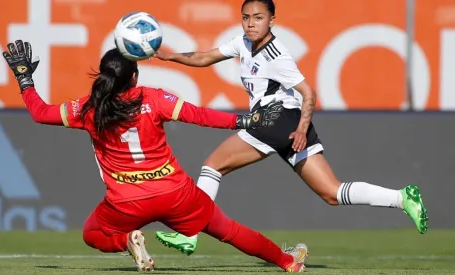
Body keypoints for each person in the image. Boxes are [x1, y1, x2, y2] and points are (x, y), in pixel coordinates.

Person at [2, 39, 310, 272]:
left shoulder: (88, 108)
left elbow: (40, 113)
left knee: (92, 233)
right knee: (227, 229)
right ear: (134, 78)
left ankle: (127, 241)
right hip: (175, 193)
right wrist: (245, 121)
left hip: (126, 202)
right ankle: (287, 262)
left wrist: (24, 78)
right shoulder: (153, 97)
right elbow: (199, 115)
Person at [154, 0, 429, 256]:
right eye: (246, 18)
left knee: (213, 166)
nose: (251, 24)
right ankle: (401, 198)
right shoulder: (243, 43)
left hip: (276, 120)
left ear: (272, 21)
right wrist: (171, 57)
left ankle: (190, 232)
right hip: (289, 124)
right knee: (332, 193)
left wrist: (301, 129)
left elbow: (309, 92)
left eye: (258, 18)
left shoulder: (276, 56)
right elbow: (204, 58)